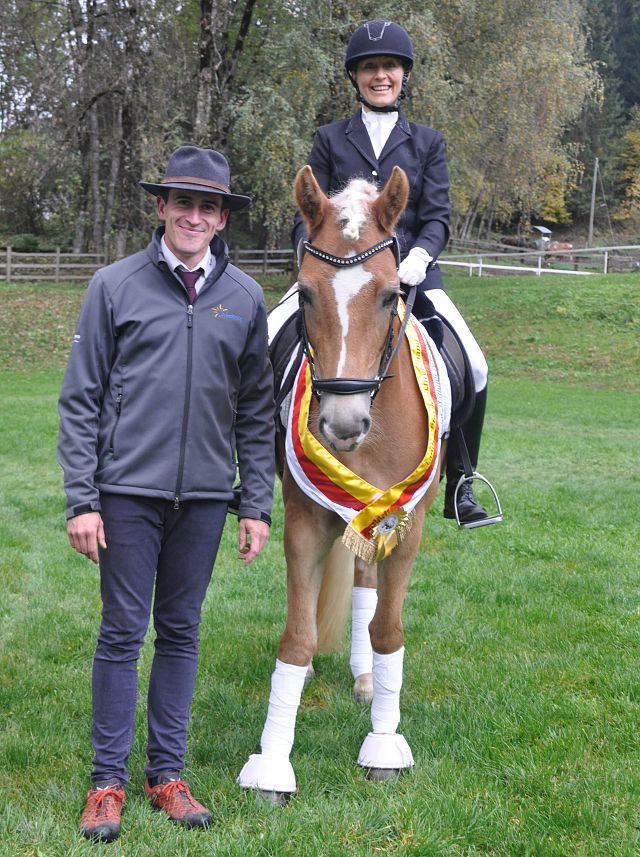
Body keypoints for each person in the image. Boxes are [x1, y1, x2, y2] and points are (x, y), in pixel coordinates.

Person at [57, 146, 275, 843]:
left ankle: (167, 775)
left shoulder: (243, 298)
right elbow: (81, 398)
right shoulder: (114, 285)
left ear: (221, 218)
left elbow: (255, 410)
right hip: (125, 493)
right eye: (183, 202)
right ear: (161, 207)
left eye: (208, 206)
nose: (194, 215)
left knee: (180, 631)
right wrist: (81, 498)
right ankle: (106, 782)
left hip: (206, 498)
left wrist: (256, 503)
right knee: (122, 632)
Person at [272, 20, 492, 690]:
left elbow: (439, 215)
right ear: (356, 76)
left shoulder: (426, 142)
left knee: (475, 362)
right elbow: (307, 217)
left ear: (403, 75)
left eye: (390, 67)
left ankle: (460, 480)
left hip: (408, 277)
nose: (380, 75)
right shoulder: (329, 140)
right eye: (369, 67)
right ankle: (249, 467)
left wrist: (418, 260)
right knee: (265, 334)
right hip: (339, 280)